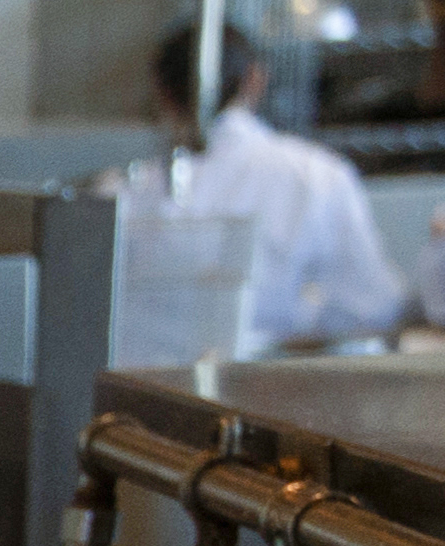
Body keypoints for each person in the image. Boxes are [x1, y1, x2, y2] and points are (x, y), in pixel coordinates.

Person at [131, 19, 403, 353]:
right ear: (256, 80)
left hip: (144, 390)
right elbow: (373, 306)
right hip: (275, 388)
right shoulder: (316, 174)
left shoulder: (126, 190)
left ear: (163, 93)